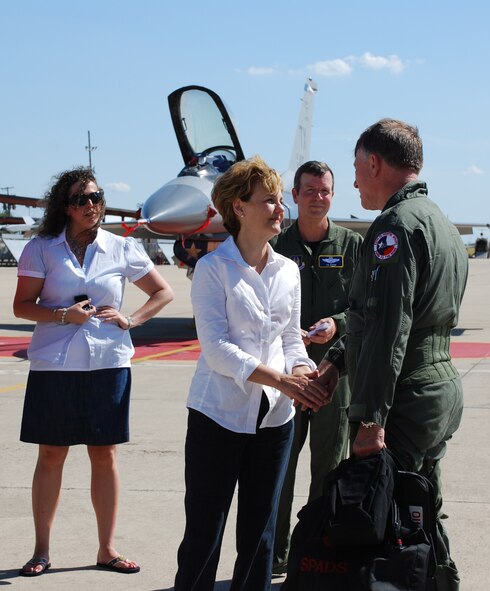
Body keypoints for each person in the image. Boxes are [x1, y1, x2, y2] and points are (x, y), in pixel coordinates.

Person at [317, 119, 468, 590]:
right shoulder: (440, 221)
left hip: (405, 391)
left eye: (357, 168)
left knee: (387, 521)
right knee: (421, 508)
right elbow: (379, 318)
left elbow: (388, 329)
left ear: (375, 162)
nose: (356, 180)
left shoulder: (394, 227)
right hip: (437, 386)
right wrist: (338, 359)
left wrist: (370, 419)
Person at [173, 156, 327, 591]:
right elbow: (217, 350)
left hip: (275, 420)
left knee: (260, 534)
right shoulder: (211, 269)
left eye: (281, 201)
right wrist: (281, 379)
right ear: (239, 208)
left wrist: (303, 372)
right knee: (205, 532)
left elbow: (291, 340)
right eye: (269, 201)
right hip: (216, 416)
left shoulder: (288, 271)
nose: (281, 209)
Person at [13, 166, 174, 576]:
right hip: (55, 364)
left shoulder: (121, 247)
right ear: (64, 207)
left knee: (104, 455)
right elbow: (22, 306)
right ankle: (41, 551)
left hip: (108, 362)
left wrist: (133, 319)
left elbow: (162, 291)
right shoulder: (42, 248)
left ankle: (106, 549)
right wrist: (62, 315)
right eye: (81, 199)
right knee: (51, 455)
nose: (91, 205)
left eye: (96, 197)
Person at [270, 160, 362, 573]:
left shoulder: (351, 245)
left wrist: (337, 324)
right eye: (310, 191)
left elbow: (363, 307)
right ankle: (274, 554)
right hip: (287, 378)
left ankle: (316, 554)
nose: (318, 198)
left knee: (327, 470)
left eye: (325, 191)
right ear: (294, 196)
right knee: (279, 469)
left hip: (333, 376)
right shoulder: (275, 246)